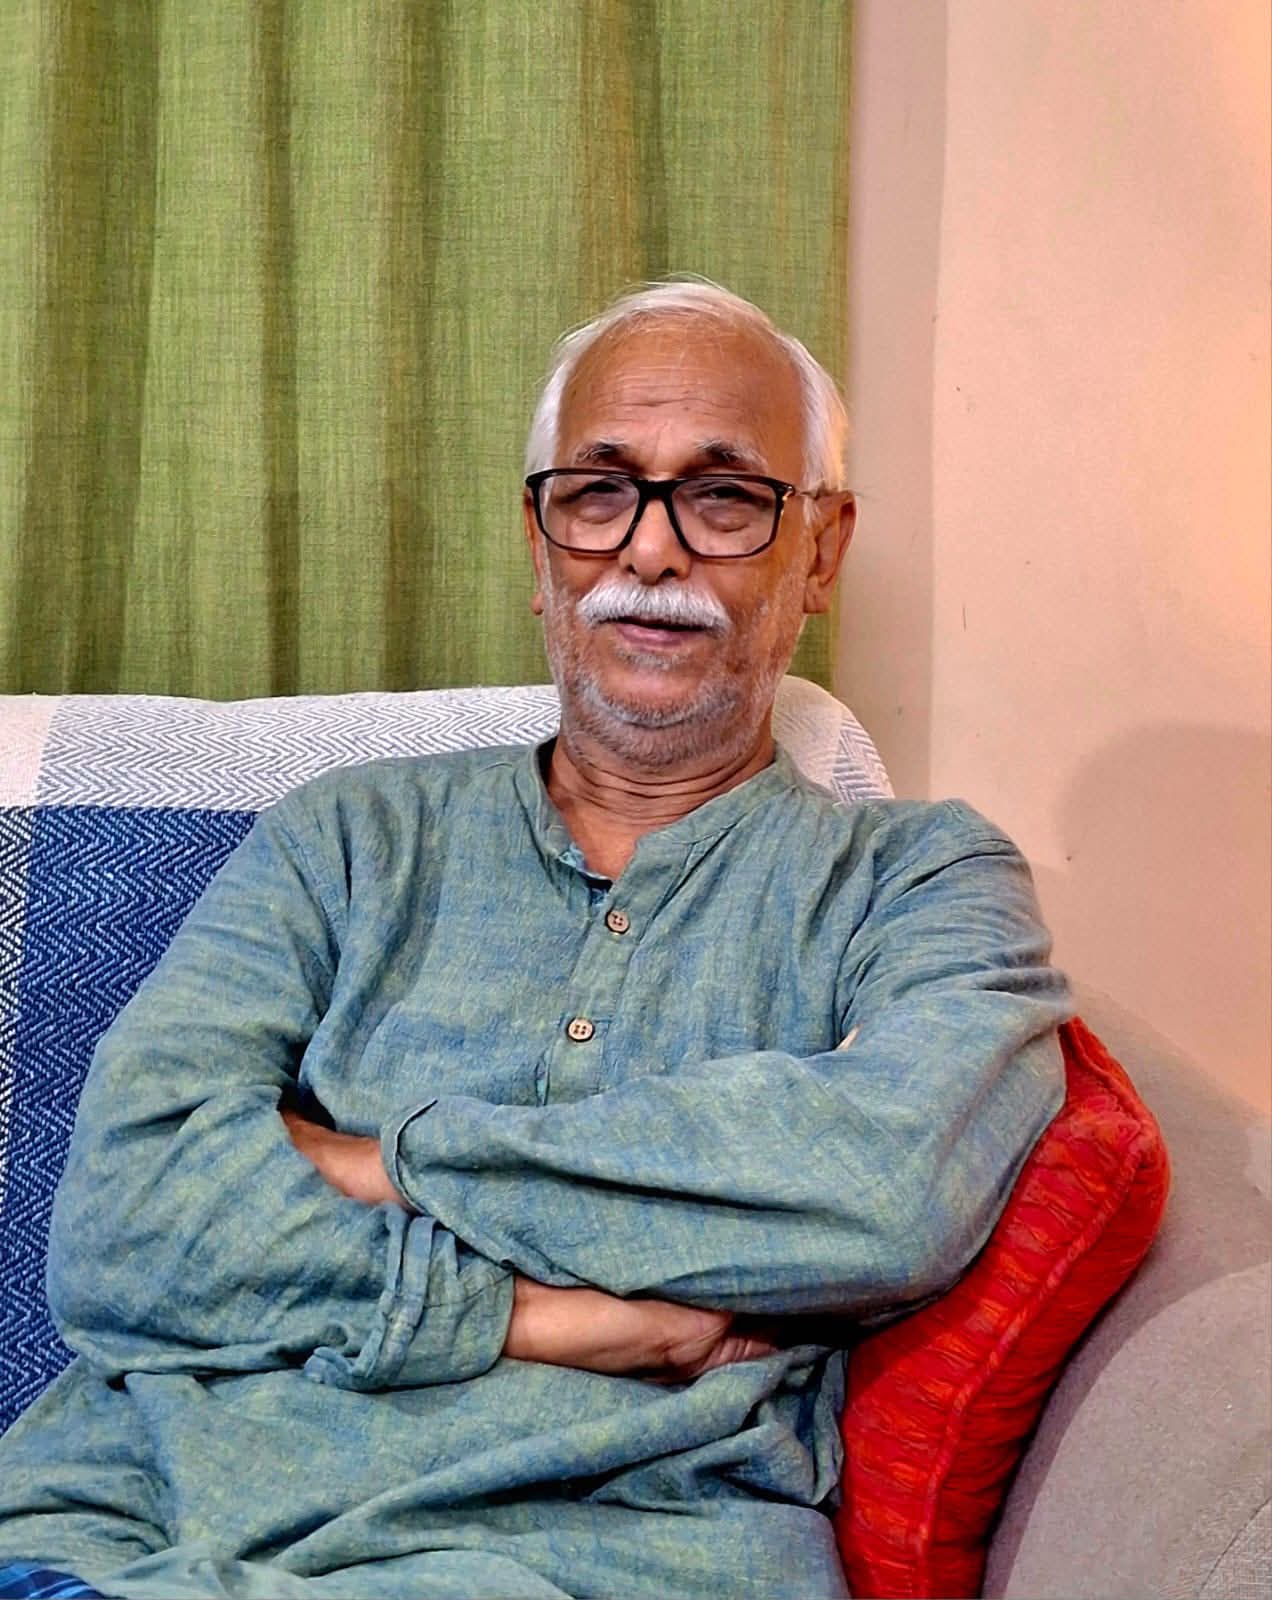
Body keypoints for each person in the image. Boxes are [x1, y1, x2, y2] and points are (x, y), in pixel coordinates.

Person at [0, 282, 1071, 1600]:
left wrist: (375, 1162)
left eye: (724, 497)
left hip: (599, 1556)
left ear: (821, 551)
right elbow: (122, 1219)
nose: (651, 551)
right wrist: (566, 1320)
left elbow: (888, 1195)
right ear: (539, 539)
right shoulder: (347, 835)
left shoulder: (920, 880)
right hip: (115, 1524)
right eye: (599, 492)